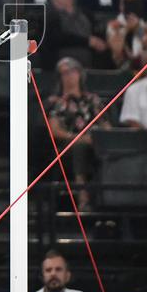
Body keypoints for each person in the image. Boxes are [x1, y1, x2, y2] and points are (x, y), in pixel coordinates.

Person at [47, 57, 108, 209]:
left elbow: (105, 123)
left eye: (72, 71)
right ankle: (83, 198)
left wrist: (105, 135)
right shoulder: (57, 102)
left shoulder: (92, 99)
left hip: (94, 140)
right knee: (79, 147)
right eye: (64, 73)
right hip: (68, 143)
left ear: (80, 74)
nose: (69, 76)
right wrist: (79, 138)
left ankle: (110, 196)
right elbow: (54, 131)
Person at [40, 0, 106, 69]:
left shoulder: (86, 14)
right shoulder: (48, 16)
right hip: (59, 70)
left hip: (89, 68)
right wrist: (88, 41)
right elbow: (56, 38)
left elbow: (97, 33)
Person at [105, 0, 147, 69]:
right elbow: (117, 52)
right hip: (120, 71)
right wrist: (126, 29)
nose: (131, 7)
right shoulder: (113, 25)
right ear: (121, 6)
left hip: (145, 71)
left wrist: (137, 28)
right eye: (127, 3)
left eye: (134, 3)